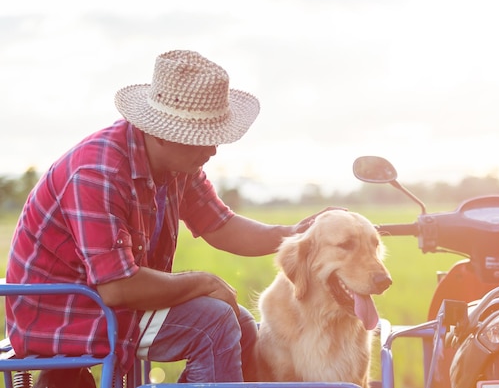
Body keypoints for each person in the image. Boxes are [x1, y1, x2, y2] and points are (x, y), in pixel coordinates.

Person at [6, 49, 337, 384]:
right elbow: (117, 288)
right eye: (202, 139)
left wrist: (296, 234)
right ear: (163, 133)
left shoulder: (176, 166)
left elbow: (220, 225)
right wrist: (202, 282)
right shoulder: (98, 172)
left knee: (241, 322)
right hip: (66, 311)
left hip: (113, 298)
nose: (213, 150)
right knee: (215, 323)